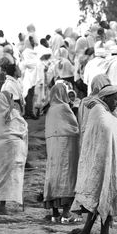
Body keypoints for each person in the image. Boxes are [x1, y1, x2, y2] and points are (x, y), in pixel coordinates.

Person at [71, 85, 117, 234]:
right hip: (99, 164)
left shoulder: (107, 112)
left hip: (110, 163)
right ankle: (85, 232)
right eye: (115, 99)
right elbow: (103, 135)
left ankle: (104, 233)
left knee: (109, 195)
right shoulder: (98, 112)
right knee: (99, 197)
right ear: (105, 98)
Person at [44, 83, 80, 223]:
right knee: (66, 175)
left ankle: (54, 214)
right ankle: (66, 213)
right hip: (66, 147)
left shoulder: (50, 109)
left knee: (53, 175)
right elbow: (73, 128)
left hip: (52, 148)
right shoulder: (63, 108)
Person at [0, 90, 28, 215]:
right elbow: (22, 128)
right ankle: (2, 206)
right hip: (9, 150)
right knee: (6, 178)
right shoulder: (13, 113)